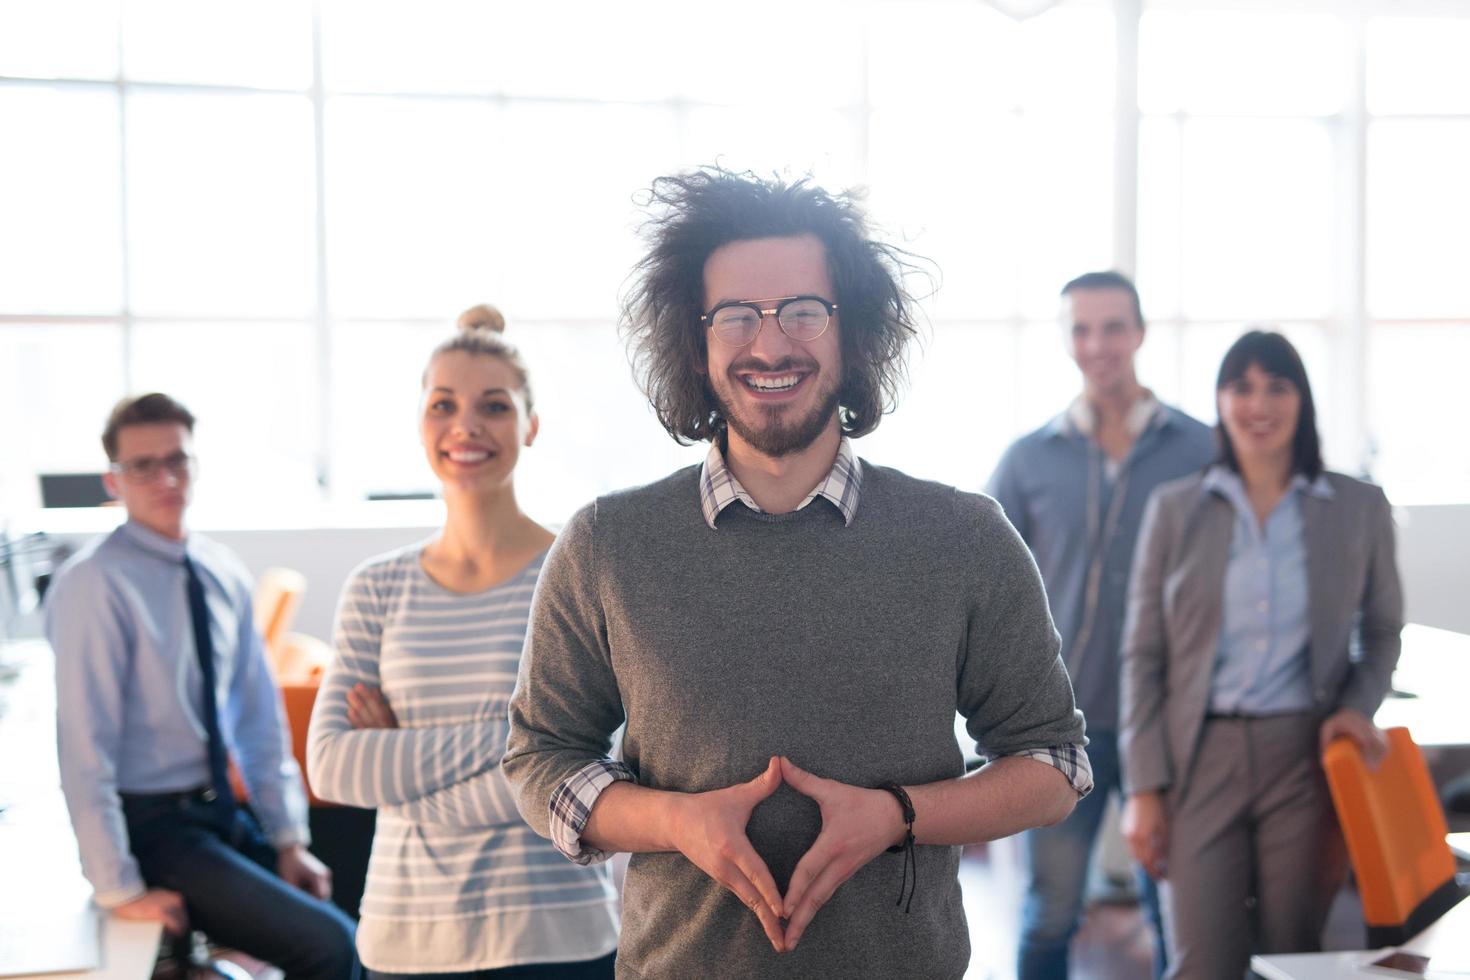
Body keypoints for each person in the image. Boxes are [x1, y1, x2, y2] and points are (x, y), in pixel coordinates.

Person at [501, 168, 1093, 979]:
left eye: (803, 313)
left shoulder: (963, 538)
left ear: (853, 336)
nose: (771, 344)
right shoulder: (607, 544)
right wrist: (676, 822)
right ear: (696, 337)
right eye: (737, 315)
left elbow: (1054, 765)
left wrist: (899, 816)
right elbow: (541, 757)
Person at [306, 307, 620, 980]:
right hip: (405, 939)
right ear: (421, 422)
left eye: (495, 406)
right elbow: (332, 765)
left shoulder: (580, 572)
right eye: (443, 404)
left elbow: (601, 767)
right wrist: (526, 741)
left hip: (558, 939)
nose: (466, 426)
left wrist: (396, 773)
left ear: (530, 425)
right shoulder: (376, 587)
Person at [1119, 330, 1403, 978]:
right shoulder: (1175, 509)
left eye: (1277, 386)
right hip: (1199, 758)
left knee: (1294, 954)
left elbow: (1382, 630)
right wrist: (1145, 787)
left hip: (1303, 757)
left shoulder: (1358, 507)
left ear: (1301, 399)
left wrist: (1357, 707)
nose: (1259, 404)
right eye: (1240, 387)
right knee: (1201, 961)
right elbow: (1142, 656)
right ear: (1220, 400)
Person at [47, 393, 358, 979]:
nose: (165, 477)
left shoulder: (221, 573)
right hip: (153, 826)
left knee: (361, 934)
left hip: (219, 813)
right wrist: (118, 887)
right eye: (143, 465)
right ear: (114, 480)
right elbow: (84, 753)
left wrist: (288, 838)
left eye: (178, 460)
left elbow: (257, 721)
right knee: (329, 949)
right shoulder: (93, 585)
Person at [987, 271, 1213, 980]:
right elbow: (988, 593)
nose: (1097, 344)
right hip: (1059, 727)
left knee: (1177, 915)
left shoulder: (1202, 451)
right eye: (1080, 329)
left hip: (1171, 725)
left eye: (1112, 326)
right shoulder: (1027, 460)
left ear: (1140, 333)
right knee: (1051, 910)